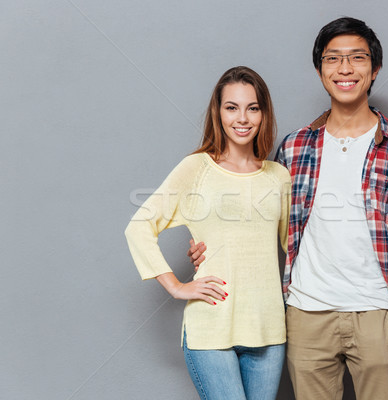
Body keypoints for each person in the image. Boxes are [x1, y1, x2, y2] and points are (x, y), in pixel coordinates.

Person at [189, 18, 388, 399]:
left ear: (375, 69)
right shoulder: (294, 148)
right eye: (333, 59)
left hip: (377, 313)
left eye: (357, 57)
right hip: (305, 316)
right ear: (321, 69)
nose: (345, 68)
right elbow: (258, 217)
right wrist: (210, 245)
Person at [125, 66, 291, 400]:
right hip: (211, 327)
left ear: (264, 113)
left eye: (252, 108)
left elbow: (295, 248)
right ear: (218, 113)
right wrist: (176, 286)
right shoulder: (196, 168)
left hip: (268, 329)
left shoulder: (279, 177)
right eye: (232, 107)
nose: (242, 118)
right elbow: (139, 226)